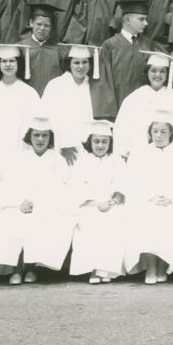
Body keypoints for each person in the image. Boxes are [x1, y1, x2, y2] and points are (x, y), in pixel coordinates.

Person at [0, 116, 69, 284]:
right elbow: (9, 185)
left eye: (45, 135)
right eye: (36, 135)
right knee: (9, 220)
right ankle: (16, 269)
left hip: (47, 205)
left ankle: (31, 268)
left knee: (41, 221)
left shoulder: (58, 161)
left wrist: (39, 203)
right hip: (19, 204)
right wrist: (19, 201)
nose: (40, 139)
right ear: (29, 137)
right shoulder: (20, 159)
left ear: (50, 138)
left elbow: (60, 190)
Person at [124, 111, 173, 284]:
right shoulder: (140, 154)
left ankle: (162, 265)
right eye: (155, 131)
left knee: (171, 217)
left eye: (163, 132)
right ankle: (151, 266)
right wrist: (150, 197)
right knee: (148, 217)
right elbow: (134, 182)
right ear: (150, 133)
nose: (158, 136)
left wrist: (172, 198)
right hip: (146, 200)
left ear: (171, 133)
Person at [66, 120, 129, 284]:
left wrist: (112, 202)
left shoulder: (117, 161)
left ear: (110, 142)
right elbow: (77, 187)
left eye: (104, 141)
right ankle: (94, 269)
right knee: (89, 223)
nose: (100, 145)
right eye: (96, 141)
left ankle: (106, 269)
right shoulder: (82, 161)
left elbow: (122, 186)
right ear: (90, 142)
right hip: (89, 205)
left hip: (112, 205)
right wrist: (95, 203)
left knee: (114, 222)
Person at [113, 51, 173, 161]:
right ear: (147, 72)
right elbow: (121, 127)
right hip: (139, 154)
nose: (157, 75)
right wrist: (124, 151)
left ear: (168, 74)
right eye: (154, 70)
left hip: (169, 156)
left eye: (162, 71)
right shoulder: (134, 98)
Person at [93, 0, 156, 120]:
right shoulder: (109, 46)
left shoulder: (149, 44)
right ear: (127, 20)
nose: (146, 23)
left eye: (146, 19)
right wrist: (110, 115)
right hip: (118, 109)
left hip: (144, 110)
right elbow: (104, 83)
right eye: (141, 19)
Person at [41, 44, 101, 166]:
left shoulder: (94, 86)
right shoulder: (55, 85)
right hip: (61, 147)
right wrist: (64, 144)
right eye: (76, 63)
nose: (81, 67)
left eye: (85, 62)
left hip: (88, 150)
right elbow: (47, 119)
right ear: (69, 64)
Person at [0, 45, 41, 158]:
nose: (8, 65)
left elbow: (33, 127)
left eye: (12, 61)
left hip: (19, 152)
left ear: (18, 63)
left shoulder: (29, 93)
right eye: (4, 61)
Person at [18, 1, 64, 96]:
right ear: (31, 23)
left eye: (46, 25)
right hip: (27, 99)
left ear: (51, 27)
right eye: (39, 24)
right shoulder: (21, 48)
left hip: (52, 99)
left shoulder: (59, 50)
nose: (42, 28)